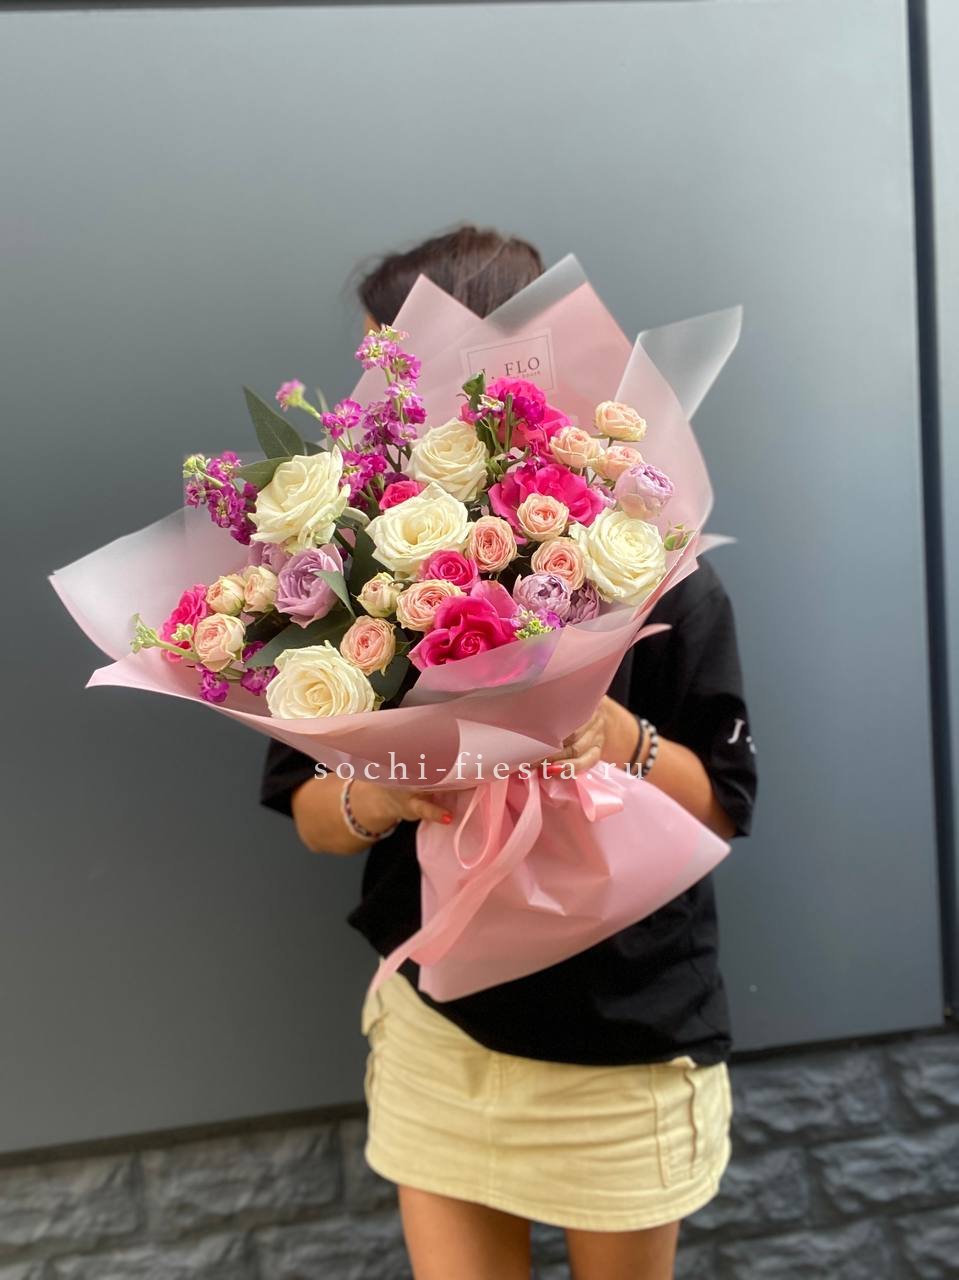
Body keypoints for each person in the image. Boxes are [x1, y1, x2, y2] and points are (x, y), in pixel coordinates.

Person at [260, 225, 758, 1280]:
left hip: (623, 1041)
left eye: (397, 365)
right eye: (371, 371)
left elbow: (721, 807)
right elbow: (309, 813)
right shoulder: (351, 575)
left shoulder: (657, 566)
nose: (379, 401)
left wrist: (609, 733)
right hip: (436, 1027)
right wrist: (388, 791)